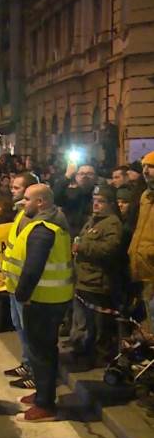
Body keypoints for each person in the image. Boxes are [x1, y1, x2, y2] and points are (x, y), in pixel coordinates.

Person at [3, 184, 73, 422]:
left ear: (40, 202)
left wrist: (22, 295)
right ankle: (43, 394)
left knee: (40, 352)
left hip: (42, 300)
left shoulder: (43, 230)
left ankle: (45, 405)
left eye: (27, 199)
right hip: (51, 299)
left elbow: (33, 268)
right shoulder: (53, 224)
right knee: (45, 350)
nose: (23, 203)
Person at [69, 185, 122, 369]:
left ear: (110, 204)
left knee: (97, 326)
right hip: (83, 280)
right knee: (83, 323)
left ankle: (96, 359)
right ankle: (81, 352)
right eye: (94, 201)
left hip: (96, 282)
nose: (96, 205)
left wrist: (81, 247)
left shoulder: (112, 224)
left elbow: (109, 249)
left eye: (101, 201)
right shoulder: (93, 221)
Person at [2, 171, 40, 389]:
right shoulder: (21, 213)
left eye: (17, 188)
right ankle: (26, 363)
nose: (12, 191)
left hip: (24, 285)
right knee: (19, 326)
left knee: (29, 330)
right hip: (14, 282)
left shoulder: (32, 218)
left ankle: (35, 372)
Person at [127, 151, 154, 326]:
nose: (145, 171)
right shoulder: (145, 196)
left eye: (151, 167)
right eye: (144, 166)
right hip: (142, 267)